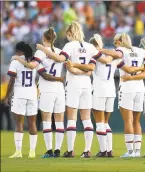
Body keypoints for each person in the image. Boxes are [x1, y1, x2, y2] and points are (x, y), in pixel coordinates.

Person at [36, 21, 100, 158]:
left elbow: (60, 58)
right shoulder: (90, 47)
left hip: (73, 84)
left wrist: (43, 49)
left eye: (67, 34)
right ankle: (87, 150)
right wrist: (82, 71)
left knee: (71, 119)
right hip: (87, 85)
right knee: (87, 119)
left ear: (71, 33)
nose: (67, 36)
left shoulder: (70, 45)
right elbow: (91, 68)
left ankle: (70, 150)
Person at [99, 33, 145, 158]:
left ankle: (130, 151)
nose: (115, 45)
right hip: (140, 88)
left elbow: (117, 55)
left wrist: (100, 50)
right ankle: (137, 151)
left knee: (128, 121)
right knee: (136, 121)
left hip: (127, 87)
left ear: (119, 41)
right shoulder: (140, 50)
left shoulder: (121, 50)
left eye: (115, 42)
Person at [12, 28, 66, 158]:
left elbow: (31, 66)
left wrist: (18, 59)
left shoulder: (40, 52)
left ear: (44, 38)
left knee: (47, 121)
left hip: (47, 89)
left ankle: (49, 151)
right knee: (59, 122)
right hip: (59, 89)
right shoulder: (60, 52)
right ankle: (58, 150)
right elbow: (63, 61)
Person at [89, 34, 141, 157]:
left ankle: (103, 151)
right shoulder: (115, 58)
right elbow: (128, 69)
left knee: (99, 122)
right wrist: (142, 68)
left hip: (99, 90)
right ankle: (109, 150)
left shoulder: (95, 56)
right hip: (111, 90)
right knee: (106, 122)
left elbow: (94, 67)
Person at [4, 42, 38, 158]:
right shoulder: (34, 61)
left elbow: (11, 81)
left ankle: (18, 152)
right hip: (32, 94)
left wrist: (7, 96)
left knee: (19, 124)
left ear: (19, 51)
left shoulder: (15, 61)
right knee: (32, 123)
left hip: (19, 95)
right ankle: (32, 152)